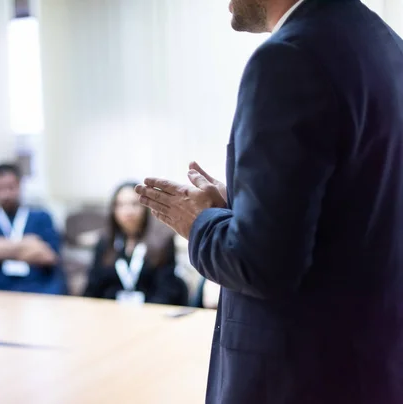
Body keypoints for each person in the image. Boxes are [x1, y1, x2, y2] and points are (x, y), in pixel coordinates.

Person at [135, 0, 403, 403]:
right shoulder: (385, 46)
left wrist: (199, 222)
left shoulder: (288, 58)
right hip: (372, 366)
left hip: (300, 379)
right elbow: (357, 206)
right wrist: (243, 202)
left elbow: (262, 264)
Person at [83, 182, 188, 305]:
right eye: (121, 205)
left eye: (134, 204)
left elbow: (166, 292)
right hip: (111, 314)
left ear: (145, 207)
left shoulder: (162, 242)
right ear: (113, 210)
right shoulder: (105, 243)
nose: (128, 211)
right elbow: (93, 289)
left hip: (150, 312)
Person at [0, 163, 66, 294]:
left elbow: (48, 256)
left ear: (20, 185)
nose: (6, 194)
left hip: (37, 288)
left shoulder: (41, 217)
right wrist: (29, 244)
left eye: (11, 187)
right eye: (0, 189)